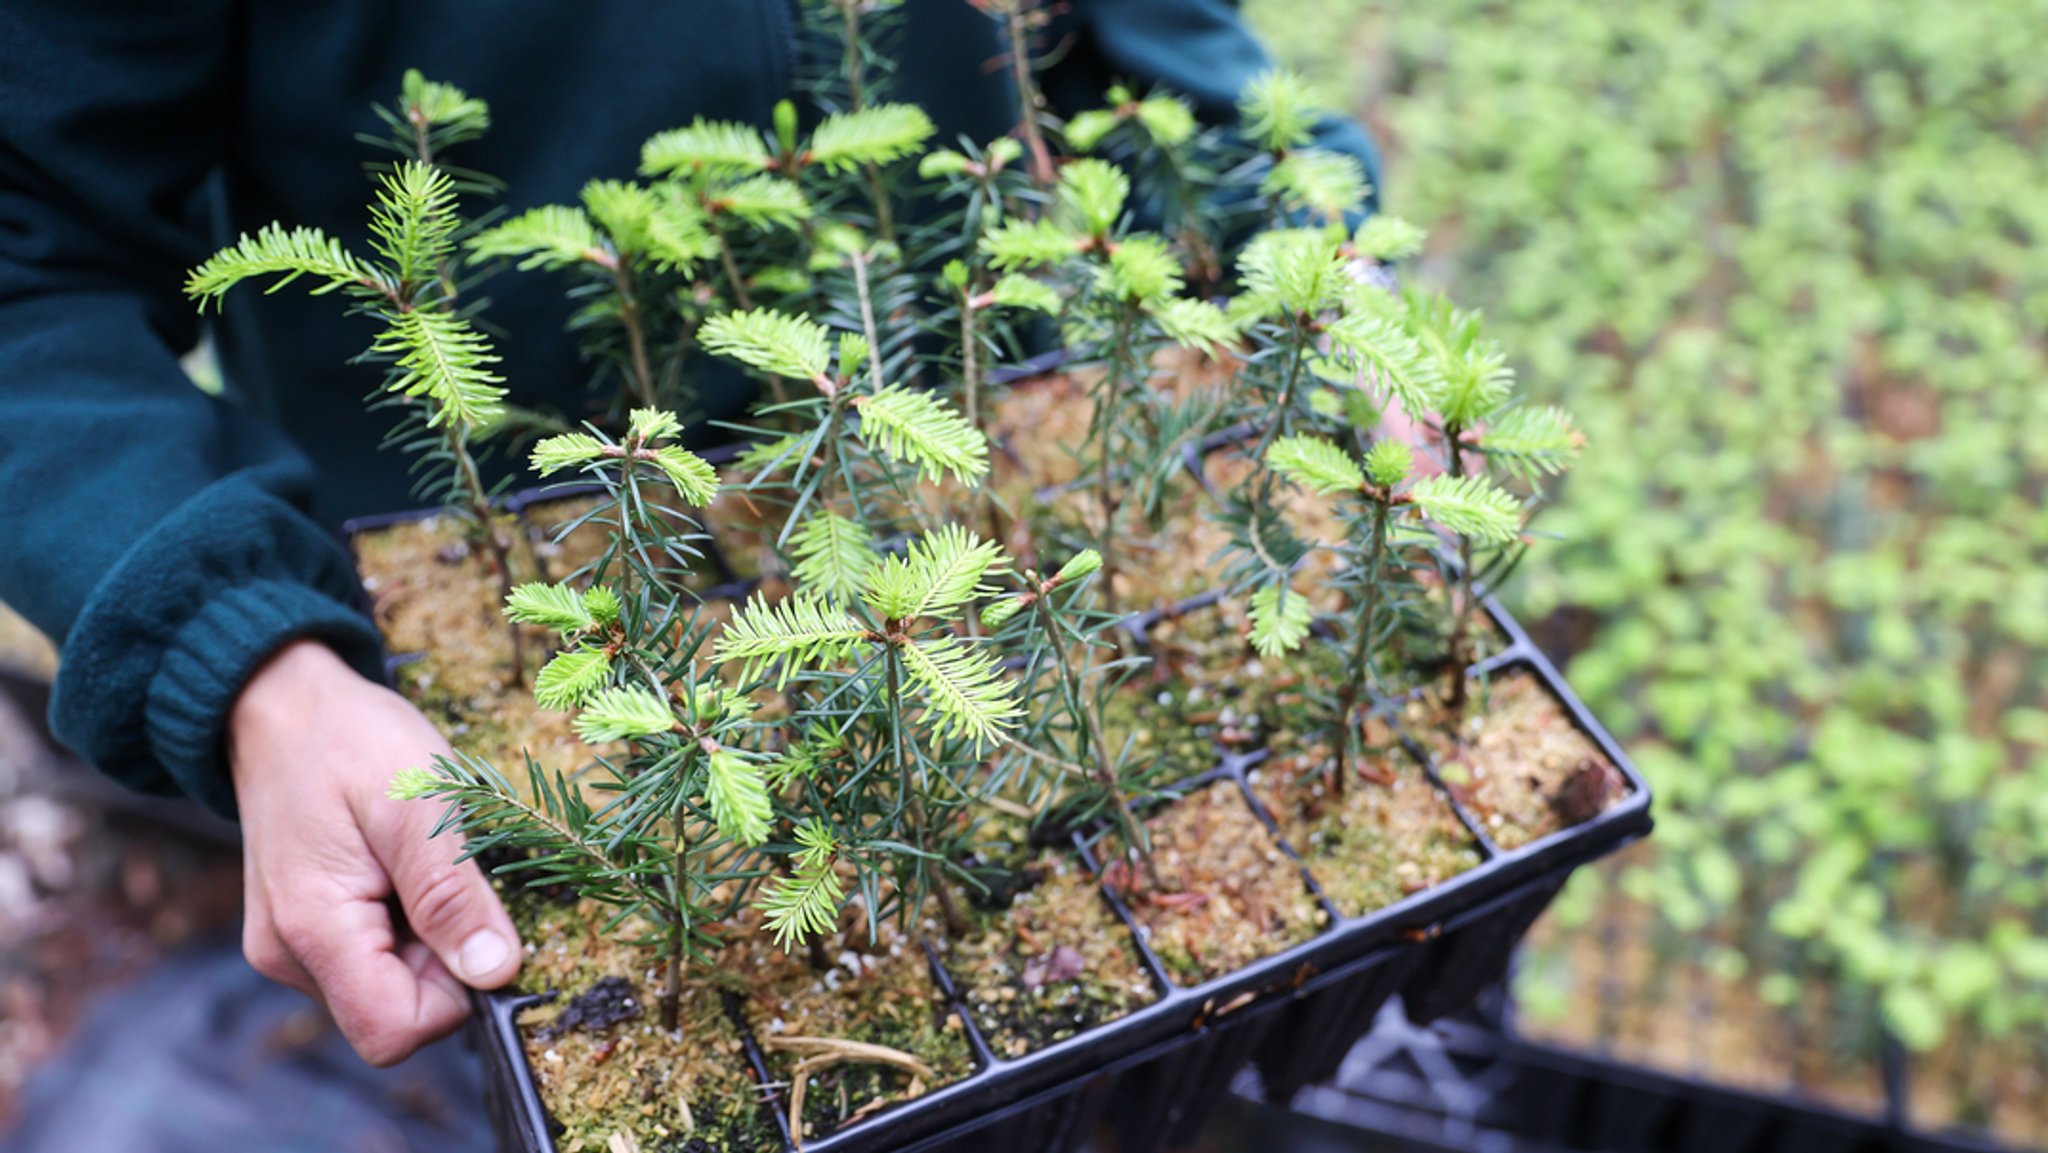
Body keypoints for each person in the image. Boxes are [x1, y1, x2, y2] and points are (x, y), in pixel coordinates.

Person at [0, 0, 1379, 1069]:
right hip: (473, 584)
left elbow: (1156, 44)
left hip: (984, 443)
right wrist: (248, 661)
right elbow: (24, 261)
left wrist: (1308, 238)